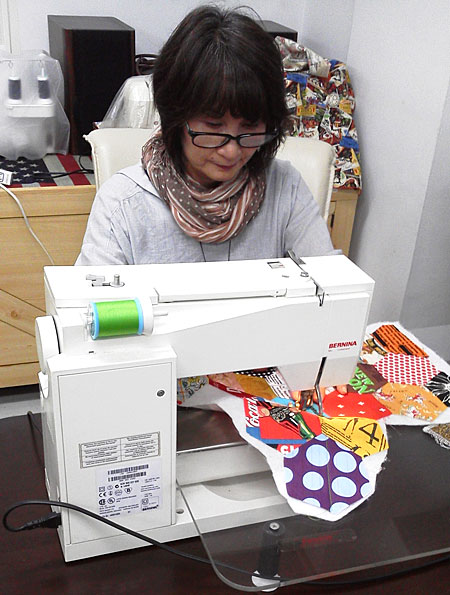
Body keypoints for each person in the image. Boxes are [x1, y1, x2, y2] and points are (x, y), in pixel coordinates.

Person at [75, 5, 337, 266]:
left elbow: (329, 280)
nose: (231, 151)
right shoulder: (123, 202)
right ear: (176, 118)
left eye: (249, 127)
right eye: (213, 126)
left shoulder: (285, 188)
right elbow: (92, 291)